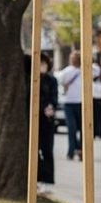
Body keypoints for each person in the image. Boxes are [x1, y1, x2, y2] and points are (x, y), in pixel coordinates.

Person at [36, 52, 59, 187]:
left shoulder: (51, 80)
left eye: (43, 63)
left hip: (46, 119)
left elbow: (54, 98)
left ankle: (48, 178)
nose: (41, 66)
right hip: (33, 118)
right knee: (34, 150)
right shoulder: (31, 79)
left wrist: (50, 107)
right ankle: (37, 177)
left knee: (47, 149)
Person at [57, 51, 85, 161]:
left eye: (75, 58)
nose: (73, 60)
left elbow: (97, 71)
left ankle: (81, 150)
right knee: (72, 128)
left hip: (81, 103)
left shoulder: (85, 70)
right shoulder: (67, 71)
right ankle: (72, 151)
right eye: (72, 58)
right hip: (69, 103)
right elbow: (60, 81)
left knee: (82, 129)